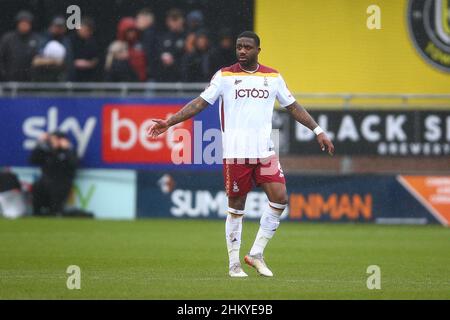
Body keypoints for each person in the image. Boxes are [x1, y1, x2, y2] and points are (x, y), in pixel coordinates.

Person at [147, 31, 335, 278]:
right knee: (236, 207)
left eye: (247, 47)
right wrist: (170, 122)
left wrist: (318, 130)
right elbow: (200, 103)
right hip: (236, 153)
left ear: (258, 49)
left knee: (280, 198)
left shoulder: (273, 76)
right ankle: (234, 264)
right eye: (239, 47)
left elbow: (293, 106)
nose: (242, 51)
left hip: (265, 151)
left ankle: (256, 254)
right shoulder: (224, 76)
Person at [29, 132, 78, 216]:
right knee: (37, 186)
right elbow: (33, 159)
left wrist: (67, 149)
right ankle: (37, 213)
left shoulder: (67, 153)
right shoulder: (47, 152)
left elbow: (73, 163)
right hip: (45, 183)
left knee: (56, 195)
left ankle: (56, 212)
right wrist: (39, 143)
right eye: (51, 139)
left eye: (55, 140)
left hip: (61, 183)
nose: (52, 142)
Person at [0, 10, 40, 81]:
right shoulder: (8, 38)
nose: (24, 25)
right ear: (17, 23)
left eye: (27, 23)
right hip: (10, 80)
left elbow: (40, 57)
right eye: (22, 23)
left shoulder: (36, 39)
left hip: (30, 81)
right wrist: (3, 74)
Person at [156, 8, 186, 82]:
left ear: (182, 20)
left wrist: (175, 62)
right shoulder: (162, 38)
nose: (175, 22)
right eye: (172, 20)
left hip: (182, 77)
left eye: (176, 19)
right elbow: (157, 55)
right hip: (165, 77)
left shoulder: (188, 36)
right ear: (168, 22)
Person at [116, 17, 147, 82]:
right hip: (121, 81)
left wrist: (129, 55)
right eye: (129, 31)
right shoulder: (117, 46)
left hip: (138, 81)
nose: (131, 33)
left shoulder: (140, 45)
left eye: (133, 31)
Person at [69, 17, 100, 82]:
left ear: (90, 31)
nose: (81, 30)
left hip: (89, 76)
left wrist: (88, 64)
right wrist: (74, 63)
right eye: (80, 28)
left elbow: (96, 60)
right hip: (73, 76)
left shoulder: (93, 43)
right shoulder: (71, 40)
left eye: (85, 29)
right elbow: (67, 59)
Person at [135, 8, 158, 80]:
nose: (136, 21)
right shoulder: (144, 34)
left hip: (150, 76)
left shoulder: (150, 35)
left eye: (138, 19)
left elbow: (148, 56)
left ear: (147, 20)